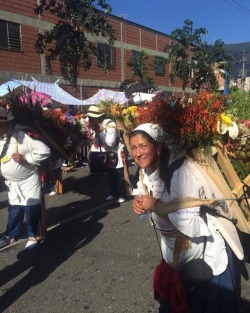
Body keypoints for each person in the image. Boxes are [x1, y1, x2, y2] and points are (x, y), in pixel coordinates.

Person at [130, 123, 242, 313]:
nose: (138, 153)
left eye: (143, 146)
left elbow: (191, 227)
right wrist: (140, 204)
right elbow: (149, 203)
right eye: (133, 147)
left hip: (205, 255)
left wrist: (156, 205)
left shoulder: (181, 174)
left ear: (158, 147)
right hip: (177, 258)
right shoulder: (145, 173)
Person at [0, 107, 51, 250]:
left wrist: (24, 158)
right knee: (14, 208)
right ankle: (11, 235)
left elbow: (45, 151)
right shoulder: (1, 135)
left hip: (29, 179)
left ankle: (32, 235)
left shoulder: (22, 134)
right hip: (12, 182)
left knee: (31, 208)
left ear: (4, 123)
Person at [86, 105, 126, 203]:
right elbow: (99, 143)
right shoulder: (98, 126)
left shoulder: (109, 124)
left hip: (117, 152)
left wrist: (100, 133)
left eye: (91, 117)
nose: (89, 119)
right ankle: (114, 193)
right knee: (112, 174)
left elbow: (110, 143)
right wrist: (95, 136)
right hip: (109, 154)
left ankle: (122, 195)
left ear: (96, 117)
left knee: (120, 174)